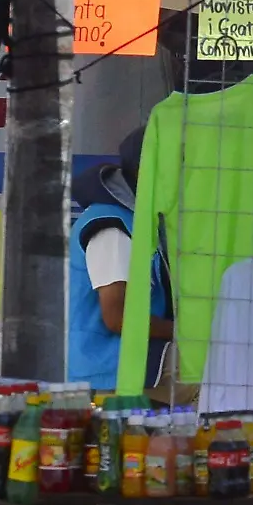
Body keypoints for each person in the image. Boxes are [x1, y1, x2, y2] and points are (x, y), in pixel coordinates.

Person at [67, 128, 173, 393]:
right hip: (106, 373)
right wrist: (188, 334)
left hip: (130, 365)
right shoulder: (112, 226)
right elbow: (117, 317)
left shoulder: (141, 221)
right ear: (143, 172)